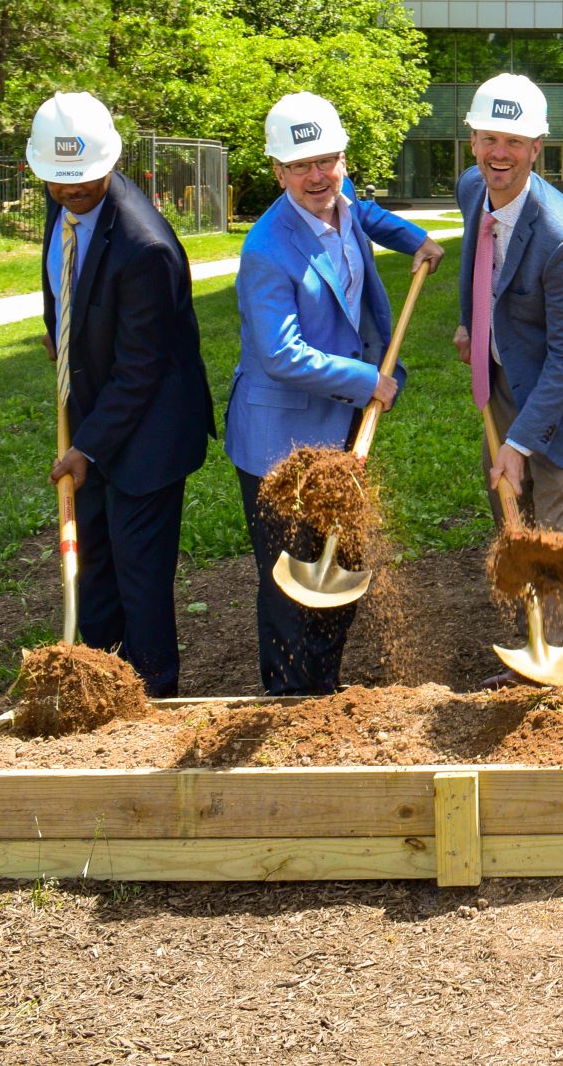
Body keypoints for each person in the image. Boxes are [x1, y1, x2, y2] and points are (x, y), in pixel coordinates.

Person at [223, 92, 440, 694]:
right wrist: (368, 381)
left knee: (338, 562)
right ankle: (290, 697)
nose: (317, 176)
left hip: (341, 427)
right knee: (291, 578)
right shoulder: (267, 249)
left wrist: (415, 238)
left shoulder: (341, 205)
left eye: (327, 160)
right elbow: (281, 353)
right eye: (300, 166)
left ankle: (326, 687)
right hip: (280, 440)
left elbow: (368, 214)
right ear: (278, 171)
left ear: (343, 158)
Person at [28, 91, 214, 697]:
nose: (71, 192)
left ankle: (154, 696)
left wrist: (87, 449)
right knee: (97, 572)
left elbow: (142, 370)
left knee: (140, 580)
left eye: (82, 181)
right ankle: (99, 690)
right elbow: (62, 275)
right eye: (59, 182)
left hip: (149, 434)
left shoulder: (146, 247)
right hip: (98, 415)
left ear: (110, 162)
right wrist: (59, 331)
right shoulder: (64, 204)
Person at [452, 72, 563, 649]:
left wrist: (521, 442)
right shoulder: (473, 188)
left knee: (554, 532)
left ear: (536, 149)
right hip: (507, 379)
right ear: (472, 139)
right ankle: (532, 638)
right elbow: (476, 261)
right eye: (489, 138)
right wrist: (470, 321)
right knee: (508, 505)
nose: (499, 154)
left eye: (515, 142)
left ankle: (558, 664)